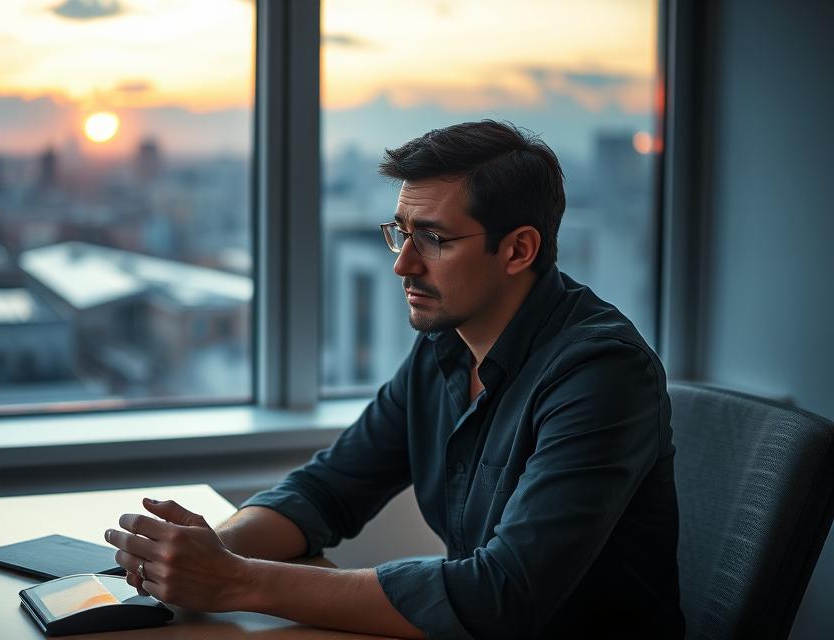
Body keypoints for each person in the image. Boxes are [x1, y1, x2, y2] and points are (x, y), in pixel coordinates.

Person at [104, 120, 684, 639]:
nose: (403, 262)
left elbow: (502, 595)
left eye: (433, 238)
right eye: (401, 230)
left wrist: (234, 582)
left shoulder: (602, 374)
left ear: (518, 250)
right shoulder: (443, 348)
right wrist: (190, 557)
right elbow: (326, 490)